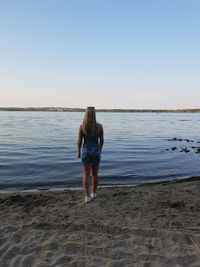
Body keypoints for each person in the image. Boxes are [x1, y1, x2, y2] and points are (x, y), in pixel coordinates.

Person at [77, 107, 104, 203]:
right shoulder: (99, 126)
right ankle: (94, 193)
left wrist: (78, 152)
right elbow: (102, 141)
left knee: (86, 174)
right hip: (96, 152)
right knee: (95, 174)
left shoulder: (82, 126)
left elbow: (79, 141)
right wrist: (99, 150)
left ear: (86, 114)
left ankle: (87, 196)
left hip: (86, 152)